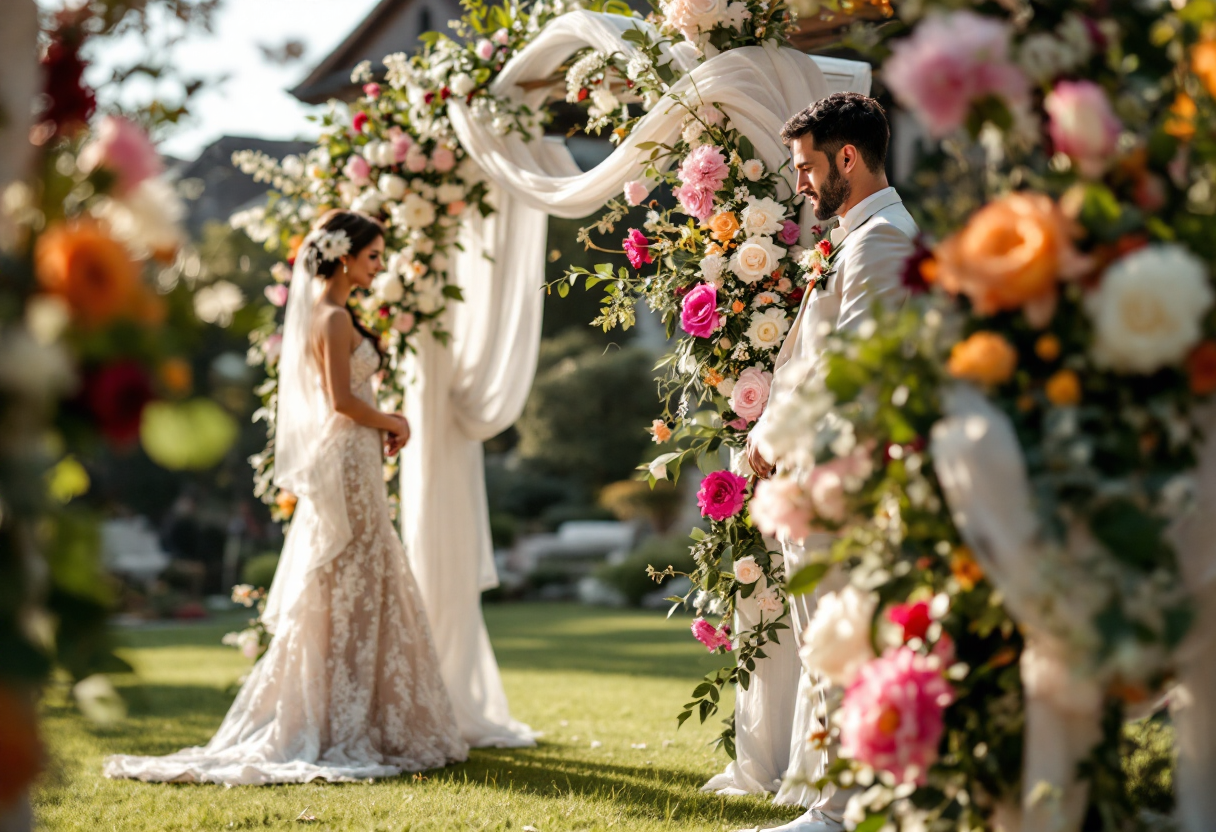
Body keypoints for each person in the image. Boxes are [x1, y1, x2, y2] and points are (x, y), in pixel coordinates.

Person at [104, 210, 468, 785]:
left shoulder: (334, 315)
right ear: (344, 256)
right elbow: (343, 402)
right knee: (351, 572)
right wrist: (393, 418)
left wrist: (381, 425)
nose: (379, 265)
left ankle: (362, 712)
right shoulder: (332, 317)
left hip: (356, 456)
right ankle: (339, 717)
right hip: (348, 454)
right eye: (373, 255)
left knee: (362, 572)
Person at [744, 93, 919, 832]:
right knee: (826, 648)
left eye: (806, 165)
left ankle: (847, 810)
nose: (802, 182)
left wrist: (776, 443)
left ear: (846, 156)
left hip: (836, 483)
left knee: (844, 651)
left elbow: (851, 376)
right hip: (811, 480)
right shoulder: (857, 235)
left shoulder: (882, 240)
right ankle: (836, 802)